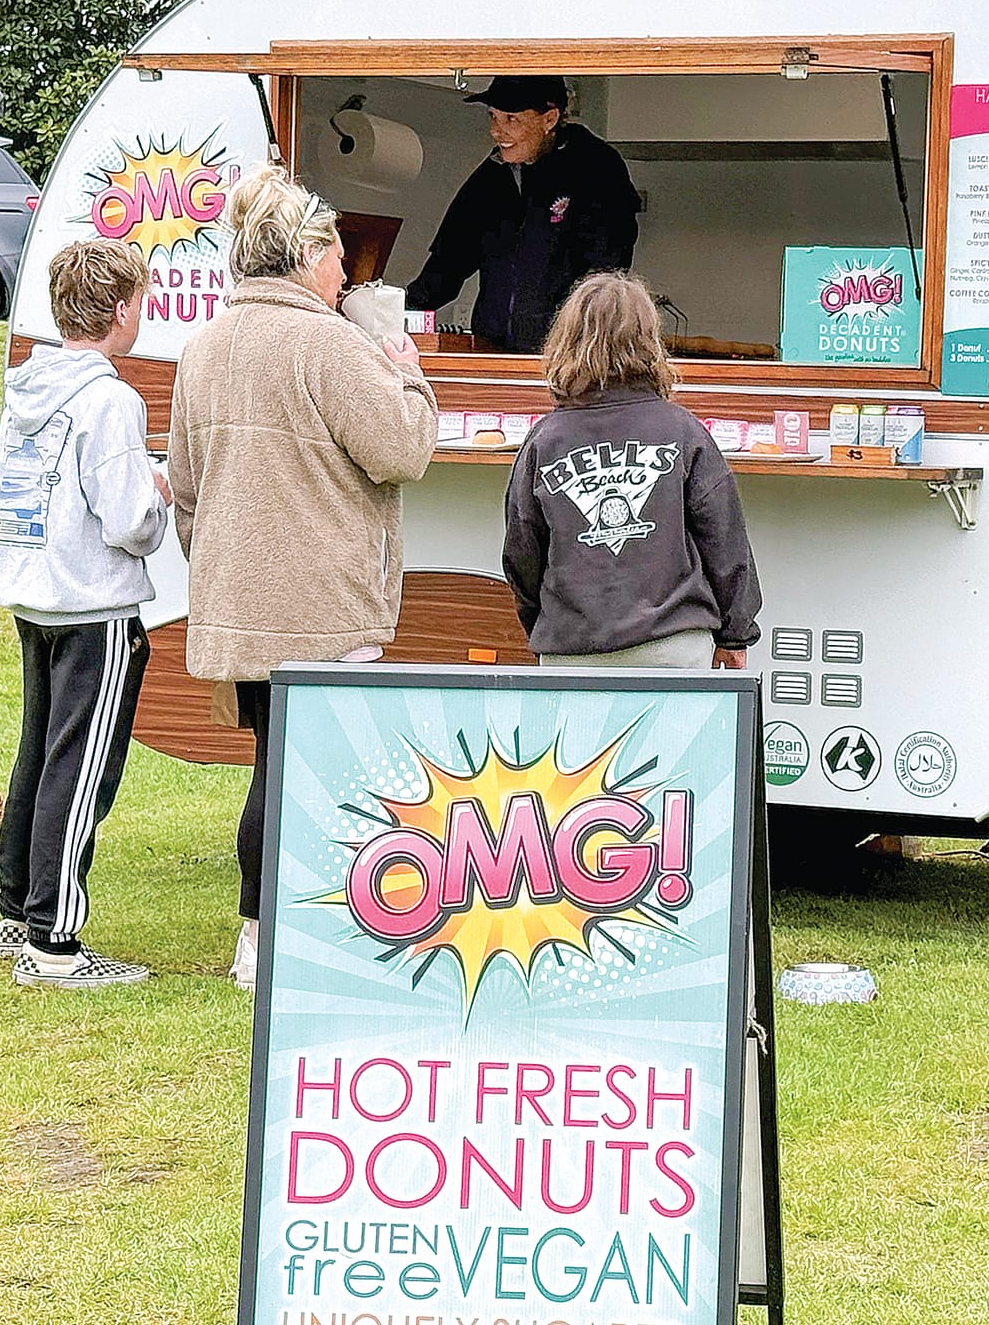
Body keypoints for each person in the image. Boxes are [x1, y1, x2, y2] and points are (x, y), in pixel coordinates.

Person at [169, 165, 439, 990]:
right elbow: (403, 449)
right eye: (338, 255)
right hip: (327, 605)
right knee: (327, 773)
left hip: (241, 601)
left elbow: (185, 489)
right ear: (306, 255)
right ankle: (310, 934)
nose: (347, 272)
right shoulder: (330, 343)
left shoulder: (204, 346)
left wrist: (220, 569)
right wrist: (406, 367)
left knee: (272, 765)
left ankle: (259, 937)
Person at [0, 239, 172, 989]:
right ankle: (54, 943)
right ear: (123, 309)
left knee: (39, 749)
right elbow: (129, 521)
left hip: (35, 588)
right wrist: (160, 494)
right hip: (95, 602)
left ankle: (16, 910)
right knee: (83, 764)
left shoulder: (27, 388)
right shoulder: (110, 399)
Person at [502, 272, 761, 668]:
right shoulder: (683, 431)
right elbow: (725, 542)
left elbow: (522, 556)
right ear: (650, 341)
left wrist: (548, 627)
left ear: (565, 341)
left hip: (573, 650)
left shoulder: (544, 441)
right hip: (673, 645)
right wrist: (736, 634)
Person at [405, 76, 641, 353]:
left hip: (567, 353)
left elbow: (605, 276)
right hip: (493, 349)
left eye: (511, 119)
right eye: (493, 117)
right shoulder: (494, 173)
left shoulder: (596, 168)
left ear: (550, 119)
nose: (497, 131)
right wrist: (399, 311)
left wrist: (581, 346)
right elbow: (449, 260)